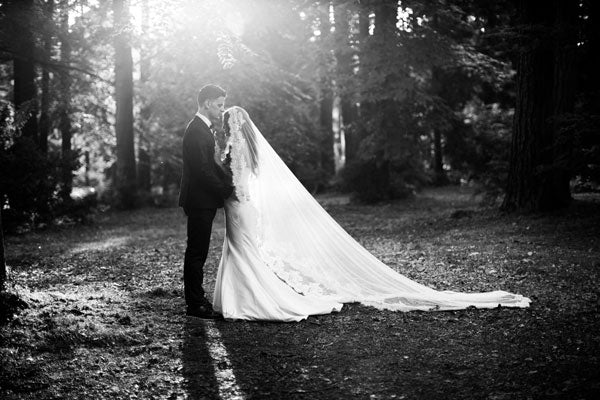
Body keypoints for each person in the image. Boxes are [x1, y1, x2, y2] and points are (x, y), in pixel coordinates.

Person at [211, 106, 531, 322]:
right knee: (243, 250)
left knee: (242, 251)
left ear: (231, 125)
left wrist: (222, 187)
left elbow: (237, 183)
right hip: (244, 206)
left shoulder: (234, 150)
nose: (225, 126)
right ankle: (241, 296)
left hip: (239, 204)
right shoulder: (249, 149)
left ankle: (249, 299)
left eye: (226, 122)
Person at [178, 84, 234, 319]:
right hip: (199, 200)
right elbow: (202, 169)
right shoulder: (197, 130)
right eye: (219, 105)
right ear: (208, 103)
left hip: (203, 199)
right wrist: (225, 190)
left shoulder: (202, 128)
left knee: (198, 250)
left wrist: (228, 181)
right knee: (197, 252)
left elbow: (209, 165)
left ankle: (197, 299)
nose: (222, 110)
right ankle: (195, 304)